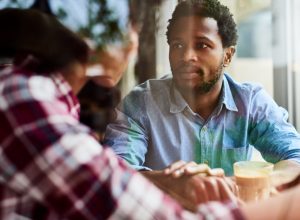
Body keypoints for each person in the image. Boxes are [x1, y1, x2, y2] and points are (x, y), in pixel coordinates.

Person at [0, 7, 245, 219]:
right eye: (130, 27)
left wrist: (170, 183)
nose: (133, 44)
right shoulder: (22, 99)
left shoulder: (48, 98)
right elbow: (120, 197)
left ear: (228, 54)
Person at [104, 0, 300, 178]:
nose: (187, 56)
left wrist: (251, 184)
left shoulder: (250, 102)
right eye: (178, 45)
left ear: (228, 56)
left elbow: (296, 156)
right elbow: (115, 172)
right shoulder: (141, 104)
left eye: (202, 45)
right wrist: (174, 184)